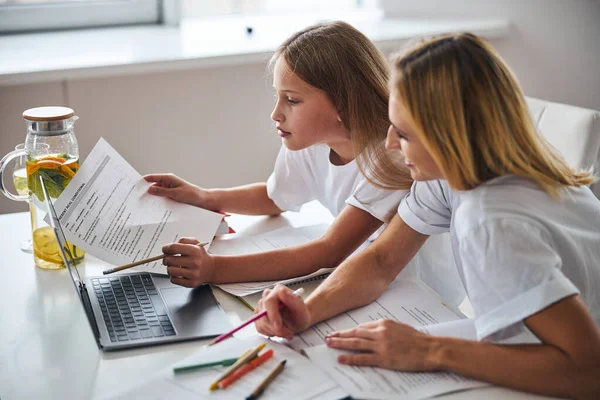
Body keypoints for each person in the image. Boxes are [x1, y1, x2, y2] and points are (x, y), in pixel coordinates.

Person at [255, 33, 600, 398]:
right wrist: (308, 311)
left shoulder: (493, 221)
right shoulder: (458, 171)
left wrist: (429, 350)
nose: (388, 144)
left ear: (448, 135)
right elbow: (382, 258)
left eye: (403, 134)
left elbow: (589, 371)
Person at [144, 21, 412, 288]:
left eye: (292, 100)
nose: (275, 114)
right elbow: (275, 197)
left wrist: (214, 268)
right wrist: (203, 197)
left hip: (413, 288)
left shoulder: (391, 158)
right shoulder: (309, 145)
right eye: (278, 96)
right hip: (371, 275)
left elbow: (330, 250)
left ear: (342, 104)